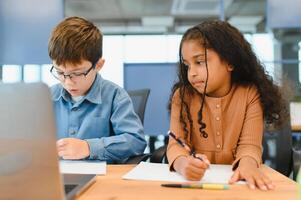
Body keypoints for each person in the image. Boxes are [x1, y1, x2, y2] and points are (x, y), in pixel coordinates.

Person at [167, 20, 288, 190]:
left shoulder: (250, 94)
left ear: (230, 62)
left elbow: (249, 147)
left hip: (235, 185)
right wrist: (183, 164)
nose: (191, 73)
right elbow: (175, 145)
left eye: (200, 62)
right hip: (195, 187)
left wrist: (248, 165)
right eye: (187, 65)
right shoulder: (182, 97)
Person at [48, 16, 146, 163]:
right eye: (60, 73)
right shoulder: (47, 97)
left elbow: (136, 141)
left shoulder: (116, 96)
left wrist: (89, 147)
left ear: (98, 65)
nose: (68, 82)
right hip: (55, 178)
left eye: (77, 73)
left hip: (101, 179)